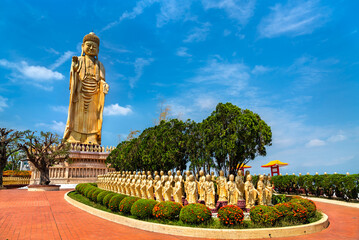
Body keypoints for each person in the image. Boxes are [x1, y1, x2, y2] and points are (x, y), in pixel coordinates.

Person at [63, 32, 109, 145]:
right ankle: (74, 136)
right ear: (82, 47)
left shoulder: (100, 65)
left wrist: (104, 84)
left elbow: (102, 79)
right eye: (89, 45)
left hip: (94, 94)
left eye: (95, 46)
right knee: (77, 115)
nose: (91, 48)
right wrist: (74, 68)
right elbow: (73, 74)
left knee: (93, 117)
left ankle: (92, 138)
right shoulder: (78, 60)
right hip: (80, 92)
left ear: (98, 50)